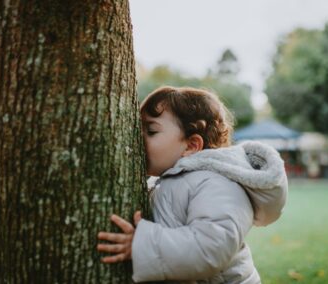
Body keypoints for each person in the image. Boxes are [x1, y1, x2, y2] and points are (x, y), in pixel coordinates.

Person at [97, 86, 288, 283]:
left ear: (191, 145)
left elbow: (211, 248)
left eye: (151, 131)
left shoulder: (217, 183)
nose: (138, 138)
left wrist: (143, 244)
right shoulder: (166, 182)